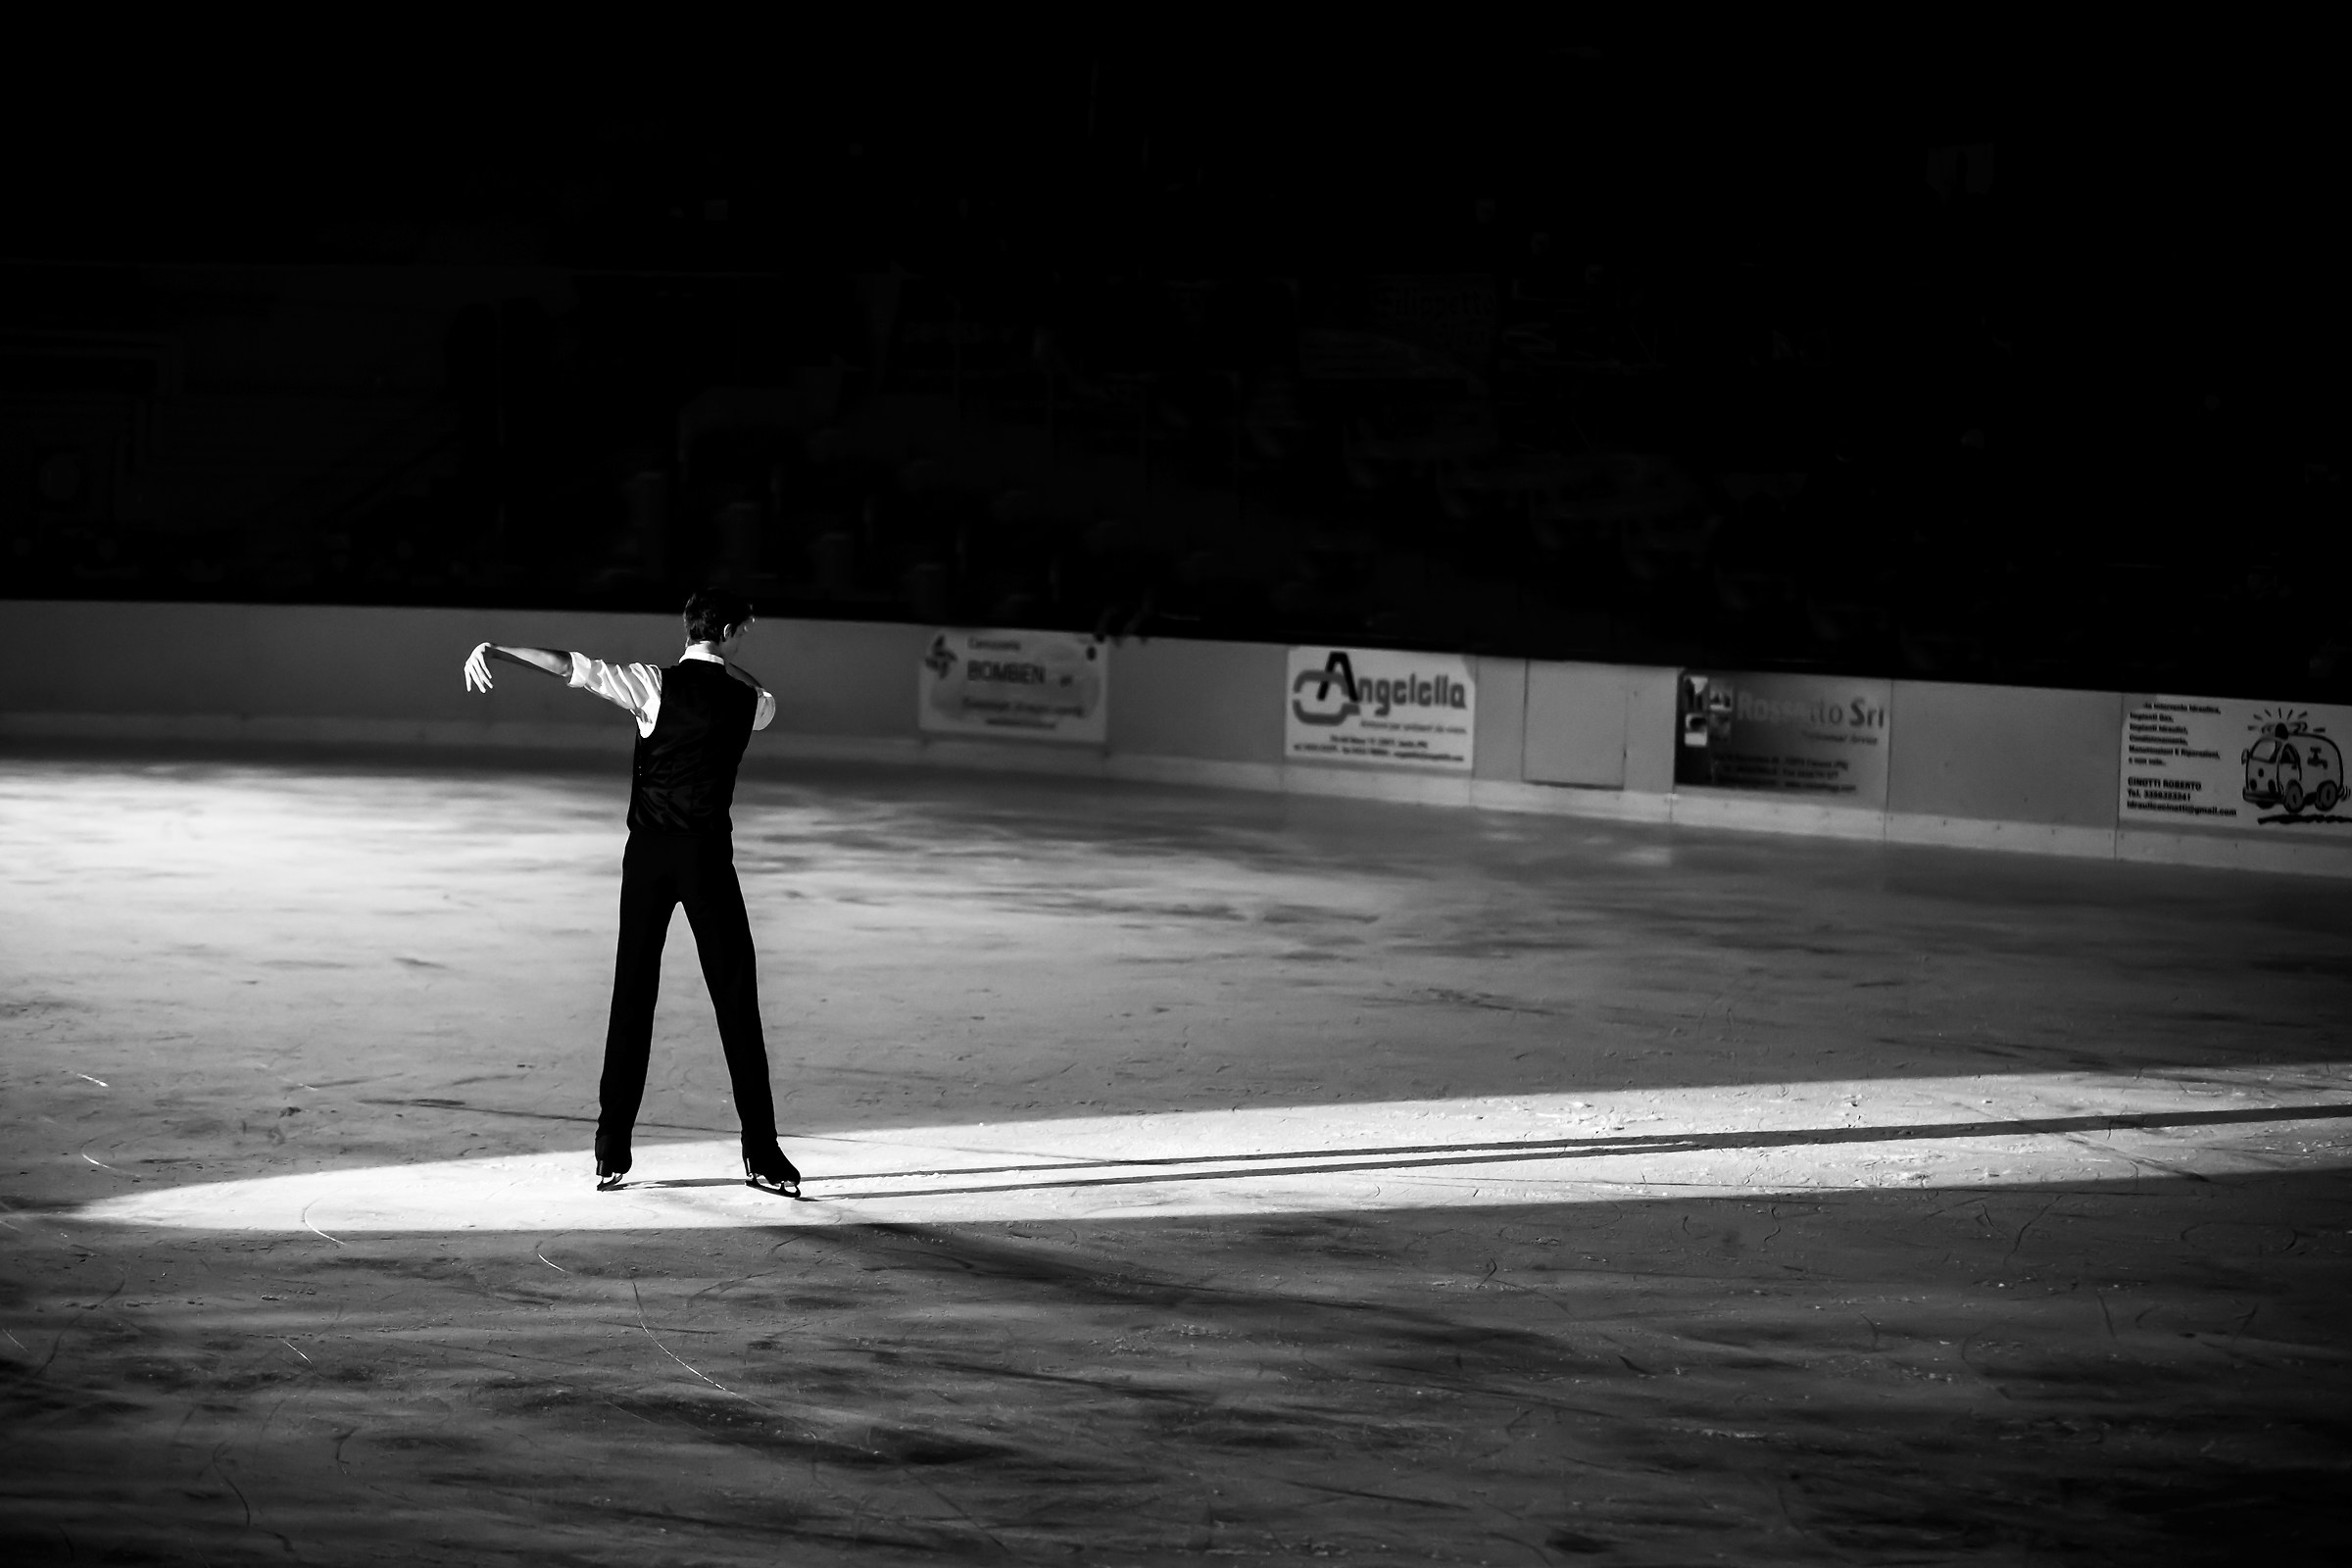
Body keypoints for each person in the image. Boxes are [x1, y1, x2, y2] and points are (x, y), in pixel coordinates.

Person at [461, 589, 802, 1197]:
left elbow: (569, 664)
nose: (745, 637)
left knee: (633, 994)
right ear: (725, 632)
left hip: (647, 860)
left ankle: (611, 1148)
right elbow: (760, 689)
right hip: (706, 862)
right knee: (736, 1001)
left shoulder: (649, 684)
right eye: (741, 631)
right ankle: (762, 1153)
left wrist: (497, 650)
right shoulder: (751, 701)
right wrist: (721, 662)